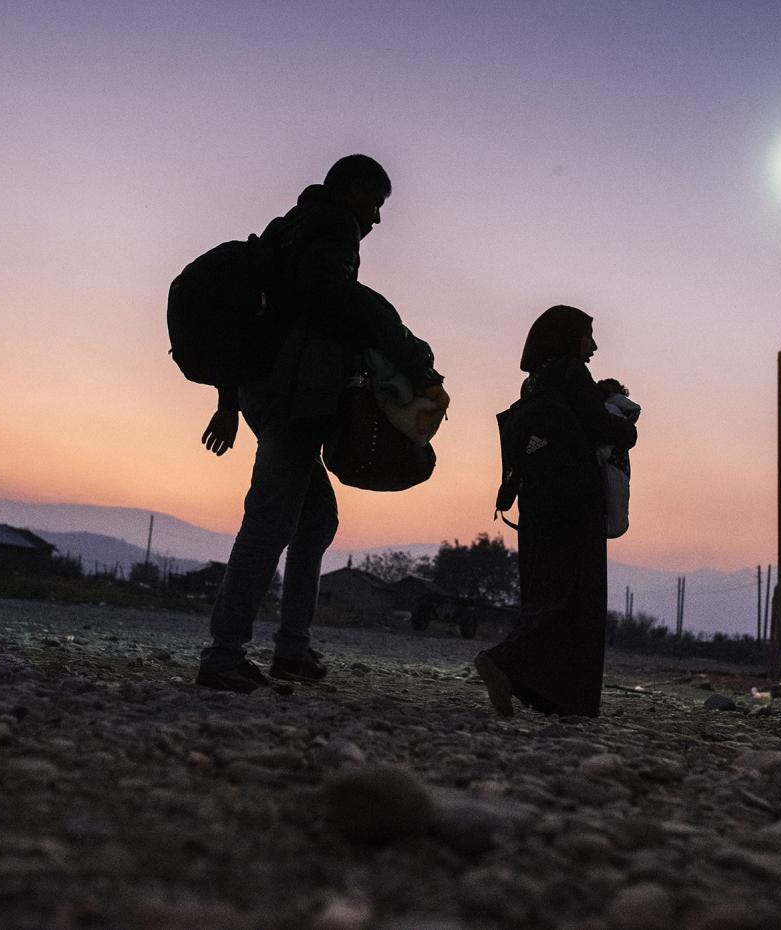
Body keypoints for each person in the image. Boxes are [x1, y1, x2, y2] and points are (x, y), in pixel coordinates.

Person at [195, 155, 442, 693]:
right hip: (293, 400)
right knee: (269, 522)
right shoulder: (332, 228)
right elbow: (332, 304)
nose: (376, 219)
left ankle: (290, 651)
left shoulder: (288, 232)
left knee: (313, 522)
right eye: (375, 203)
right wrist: (408, 354)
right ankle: (224, 656)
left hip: (266, 393)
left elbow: (264, 321)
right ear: (352, 191)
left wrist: (229, 401)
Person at [474, 306, 637, 717]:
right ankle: (507, 663)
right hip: (574, 501)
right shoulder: (569, 372)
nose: (594, 346)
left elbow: (575, 414)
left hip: (539, 501)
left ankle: (544, 691)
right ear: (568, 337)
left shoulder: (536, 382)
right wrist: (627, 427)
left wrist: (596, 393)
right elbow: (602, 426)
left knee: (548, 590)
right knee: (575, 597)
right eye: (588, 336)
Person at [596, 378, 640, 538]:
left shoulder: (609, 410)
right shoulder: (622, 415)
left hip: (610, 467)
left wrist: (594, 460)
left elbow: (605, 446)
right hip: (619, 468)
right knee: (618, 509)